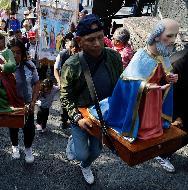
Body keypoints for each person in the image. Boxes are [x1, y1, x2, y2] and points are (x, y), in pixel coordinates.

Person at [102, 19, 179, 172]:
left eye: (175, 36)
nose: (173, 41)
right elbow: (126, 83)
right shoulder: (140, 57)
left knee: (152, 125)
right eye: (169, 36)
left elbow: (165, 72)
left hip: (154, 98)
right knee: (143, 122)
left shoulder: (162, 54)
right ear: (157, 36)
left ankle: (152, 131)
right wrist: (147, 86)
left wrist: (170, 77)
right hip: (141, 99)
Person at [60, 14, 123, 184]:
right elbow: (65, 96)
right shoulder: (72, 65)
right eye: (91, 39)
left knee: (95, 152)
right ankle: (75, 144)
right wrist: (77, 118)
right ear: (79, 41)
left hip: (102, 115)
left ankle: (85, 165)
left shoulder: (114, 57)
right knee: (80, 153)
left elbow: (120, 85)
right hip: (81, 115)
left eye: (100, 37)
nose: (97, 43)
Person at [8, 38, 40, 163]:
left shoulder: (29, 66)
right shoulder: (3, 67)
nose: (15, 55)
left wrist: (33, 102)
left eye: (18, 52)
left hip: (27, 104)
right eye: (12, 52)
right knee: (13, 127)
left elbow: (37, 83)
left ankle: (28, 148)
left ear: (23, 53)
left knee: (29, 128)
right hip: (11, 105)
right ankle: (15, 146)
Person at [54, 38, 80, 129]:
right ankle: (63, 121)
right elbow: (56, 69)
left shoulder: (81, 54)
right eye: (75, 50)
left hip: (76, 81)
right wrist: (59, 82)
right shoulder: (62, 54)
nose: (77, 52)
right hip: (64, 81)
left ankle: (74, 118)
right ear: (71, 47)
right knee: (64, 101)